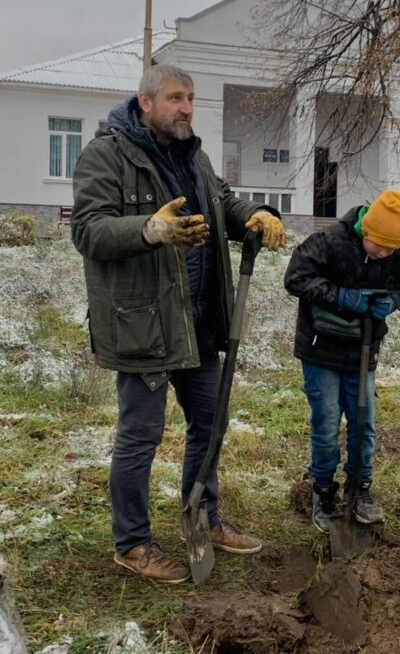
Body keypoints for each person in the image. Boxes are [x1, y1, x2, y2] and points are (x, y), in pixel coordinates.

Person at [71, 64, 286, 583]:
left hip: (199, 322)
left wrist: (253, 214)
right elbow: (89, 229)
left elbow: (221, 204)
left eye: (190, 98)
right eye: (175, 98)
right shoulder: (107, 155)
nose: (186, 107)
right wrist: (151, 229)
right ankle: (133, 543)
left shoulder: (195, 157)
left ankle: (204, 516)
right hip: (145, 323)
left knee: (210, 424)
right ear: (145, 102)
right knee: (141, 435)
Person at [284, 190, 400, 533]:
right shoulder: (328, 241)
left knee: (363, 421)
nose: (385, 253)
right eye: (379, 246)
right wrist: (342, 297)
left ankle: (360, 489)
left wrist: (394, 301)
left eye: (391, 248)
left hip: (364, 349)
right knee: (327, 424)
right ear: (365, 230)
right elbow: (295, 279)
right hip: (321, 347)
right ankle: (324, 491)